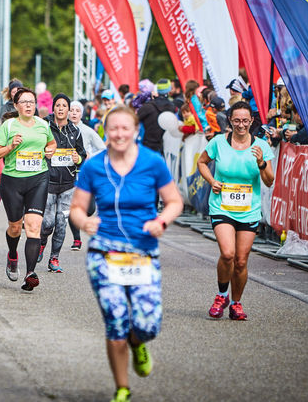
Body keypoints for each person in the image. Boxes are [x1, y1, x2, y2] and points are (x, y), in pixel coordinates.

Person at [69, 105, 183, 402]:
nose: (119, 134)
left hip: (142, 251)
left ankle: (139, 342)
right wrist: (85, 222)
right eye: (113, 129)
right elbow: (77, 209)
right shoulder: (94, 167)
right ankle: (122, 388)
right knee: (116, 320)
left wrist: (161, 221)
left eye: (125, 128)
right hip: (104, 253)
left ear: (135, 131)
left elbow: (174, 202)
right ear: (106, 132)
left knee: (147, 324)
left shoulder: (152, 162)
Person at [196, 100, 275, 321]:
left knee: (241, 260)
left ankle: (236, 303)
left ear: (251, 121)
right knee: (228, 253)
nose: (241, 125)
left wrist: (261, 163)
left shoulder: (261, 146)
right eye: (237, 120)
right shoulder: (219, 142)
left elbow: (269, 181)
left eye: (245, 121)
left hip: (249, 209)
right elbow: (202, 163)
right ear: (230, 120)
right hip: (221, 205)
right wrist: (212, 180)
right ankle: (222, 296)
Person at [0, 87, 57, 291]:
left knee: (34, 226)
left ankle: (30, 273)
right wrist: (10, 146)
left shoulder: (43, 125)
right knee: (15, 227)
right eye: (24, 102)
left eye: (32, 102)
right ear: (17, 106)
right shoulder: (8, 126)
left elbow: (52, 143)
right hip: (12, 181)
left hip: (38, 178)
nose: (29, 105)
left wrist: (50, 149)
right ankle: (12, 255)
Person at [39, 94, 86, 272]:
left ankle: (54, 258)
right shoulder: (45, 127)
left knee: (61, 222)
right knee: (48, 222)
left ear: (68, 109)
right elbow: (35, 148)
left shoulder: (75, 131)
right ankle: (42, 243)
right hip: (49, 182)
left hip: (68, 184)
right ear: (53, 108)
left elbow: (82, 154)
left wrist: (78, 158)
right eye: (57, 105)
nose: (60, 108)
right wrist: (45, 153)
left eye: (64, 106)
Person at [68, 100, 105, 251]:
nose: (74, 113)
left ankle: (81, 220)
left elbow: (103, 149)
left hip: (85, 173)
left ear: (82, 114)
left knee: (89, 209)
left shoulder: (88, 131)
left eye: (77, 110)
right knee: (71, 207)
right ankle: (77, 239)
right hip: (67, 173)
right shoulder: (62, 130)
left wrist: (90, 156)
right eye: (72, 110)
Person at [137, 78, 176, 155]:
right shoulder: (173, 108)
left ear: (157, 89)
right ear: (169, 90)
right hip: (165, 148)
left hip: (146, 146)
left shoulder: (147, 106)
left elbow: (134, 120)